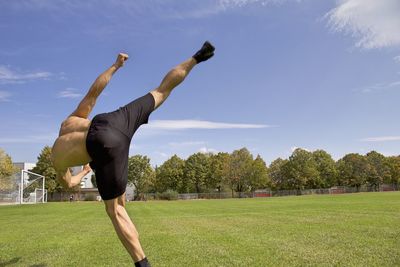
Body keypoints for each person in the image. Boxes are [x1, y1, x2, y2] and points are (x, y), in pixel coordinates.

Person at [51, 41, 215, 266]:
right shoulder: (70, 120)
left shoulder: (56, 157)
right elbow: (94, 92)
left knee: (115, 210)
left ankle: (143, 264)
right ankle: (197, 57)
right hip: (112, 121)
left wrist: (84, 171)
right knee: (160, 91)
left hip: (100, 146)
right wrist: (115, 66)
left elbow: (69, 184)